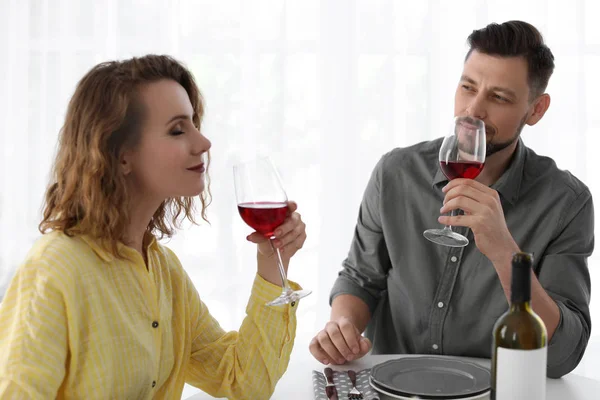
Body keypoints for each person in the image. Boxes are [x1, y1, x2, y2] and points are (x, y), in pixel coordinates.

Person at [0, 55, 307, 399]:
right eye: (178, 130)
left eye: (194, 123)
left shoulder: (164, 271)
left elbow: (241, 382)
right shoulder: (55, 270)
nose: (203, 143)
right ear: (119, 155)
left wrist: (271, 263)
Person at [309, 20, 593, 379]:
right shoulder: (395, 173)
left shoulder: (566, 203)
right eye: (467, 87)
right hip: (392, 386)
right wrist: (343, 326)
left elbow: (562, 355)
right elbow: (361, 279)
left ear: (535, 110)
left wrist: (504, 252)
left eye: (499, 97)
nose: (472, 110)